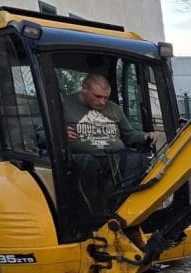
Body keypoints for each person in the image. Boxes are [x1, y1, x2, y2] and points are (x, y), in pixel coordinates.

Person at [61, 73, 155, 216]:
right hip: (83, 158)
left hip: (114, 156)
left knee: (138, 160)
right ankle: (92, 213)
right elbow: (41, 134)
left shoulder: (114, 109)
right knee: (86, 164)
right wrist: (60, 133)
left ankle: (123, 210)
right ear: (84, 89)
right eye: (98, 96)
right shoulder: (64, 106)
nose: (102, 102)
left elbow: (129, 135)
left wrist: (144, 136)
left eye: (106, 97)